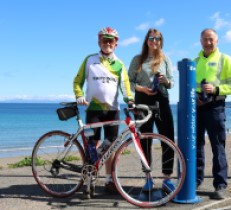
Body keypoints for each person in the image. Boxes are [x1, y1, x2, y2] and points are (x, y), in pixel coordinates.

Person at [73, 27, 134, 198]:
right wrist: (79, 95)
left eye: (111, 40)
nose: (108, 43)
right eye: (104, 40)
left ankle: (109, 181)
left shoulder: (120, 64)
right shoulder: (90, 60)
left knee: (111, 145)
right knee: (93, 144)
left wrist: (130, 100)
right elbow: (77, 81)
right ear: (99, 42)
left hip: (112, 111)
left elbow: (126, 87)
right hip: (93, 110)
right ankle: (90, 181)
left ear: (116, 44)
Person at [195, 28, 231, 199]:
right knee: (197, 147)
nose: (208, 43)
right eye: (205, 39)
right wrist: (195, 97)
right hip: (197, 108)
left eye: (211, 39)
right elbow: (191, 86)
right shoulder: (195, 61)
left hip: (215, 108)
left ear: (217, 41)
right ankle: (195, 180)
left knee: (218, 147)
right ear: (200, 41)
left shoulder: (225, 59)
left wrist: (215, 89)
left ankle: (220, 185)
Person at [128, 28, 175, 192]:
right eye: (151, 38)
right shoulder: (137, 59)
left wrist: (165, 81)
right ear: (146, 40)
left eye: (158, 38)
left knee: (168, 138)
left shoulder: (165, 59)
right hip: (143, 101)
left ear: (161, 41)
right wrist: (143, 89)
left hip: (161, 100)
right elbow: (129, 83)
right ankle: (148, 178)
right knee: (144, 140)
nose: (154, 41)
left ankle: (167, 178)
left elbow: (172, 82)